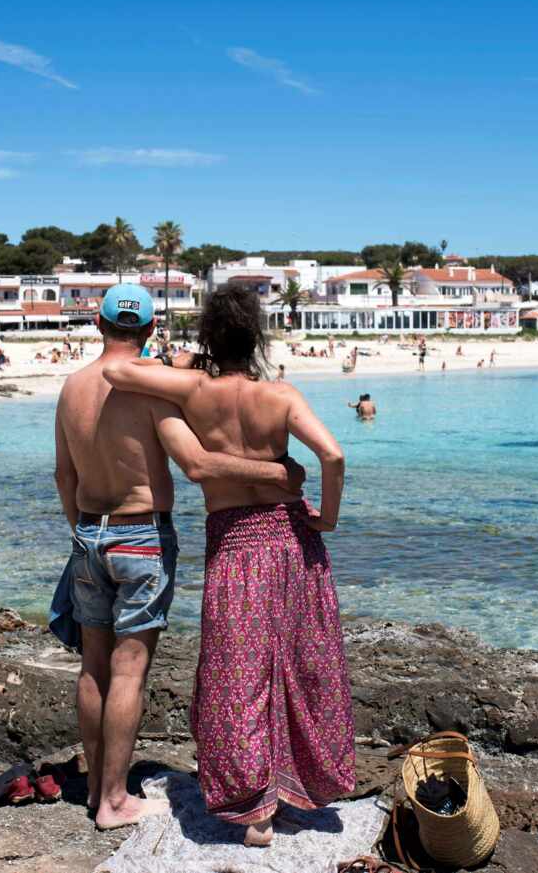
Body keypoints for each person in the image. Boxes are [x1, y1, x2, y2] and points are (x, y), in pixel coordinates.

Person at [103, 285, 354, 848]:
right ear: (258, 336)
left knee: (235, 674)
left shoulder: (195, 390)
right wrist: (329, 518)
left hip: (234, 544)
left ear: (210, 335)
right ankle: (293, 790)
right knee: (297, 663)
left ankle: (253, 810)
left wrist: (184, 361)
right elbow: (333, 456)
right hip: (289, 538)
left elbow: (119, 374)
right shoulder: (281, 394)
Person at [50, 283, 307, 834]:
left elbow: (63, 475)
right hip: (140, 535)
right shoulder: (151, 394)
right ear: (147, 330)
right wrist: (279, 475)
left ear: (98, 325)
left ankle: (97, 784)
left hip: (88, 535)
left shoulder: (71, 387)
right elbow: (196, 464)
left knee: (92, 665)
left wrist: (84, 535)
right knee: (129, 668)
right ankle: (115, 801)